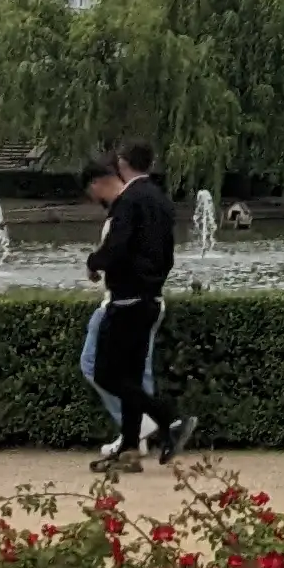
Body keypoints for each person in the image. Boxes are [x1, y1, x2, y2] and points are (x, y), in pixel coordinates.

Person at [81, 144, 192, 469]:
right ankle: (129, 447)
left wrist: (93, 262)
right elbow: (166, 254)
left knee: (105, 373)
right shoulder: (160, 200)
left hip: (127, 301)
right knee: (129, 375)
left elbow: (116, 248)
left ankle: (169, 420)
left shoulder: (127, 201)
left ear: (122, 164)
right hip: (151, 298)